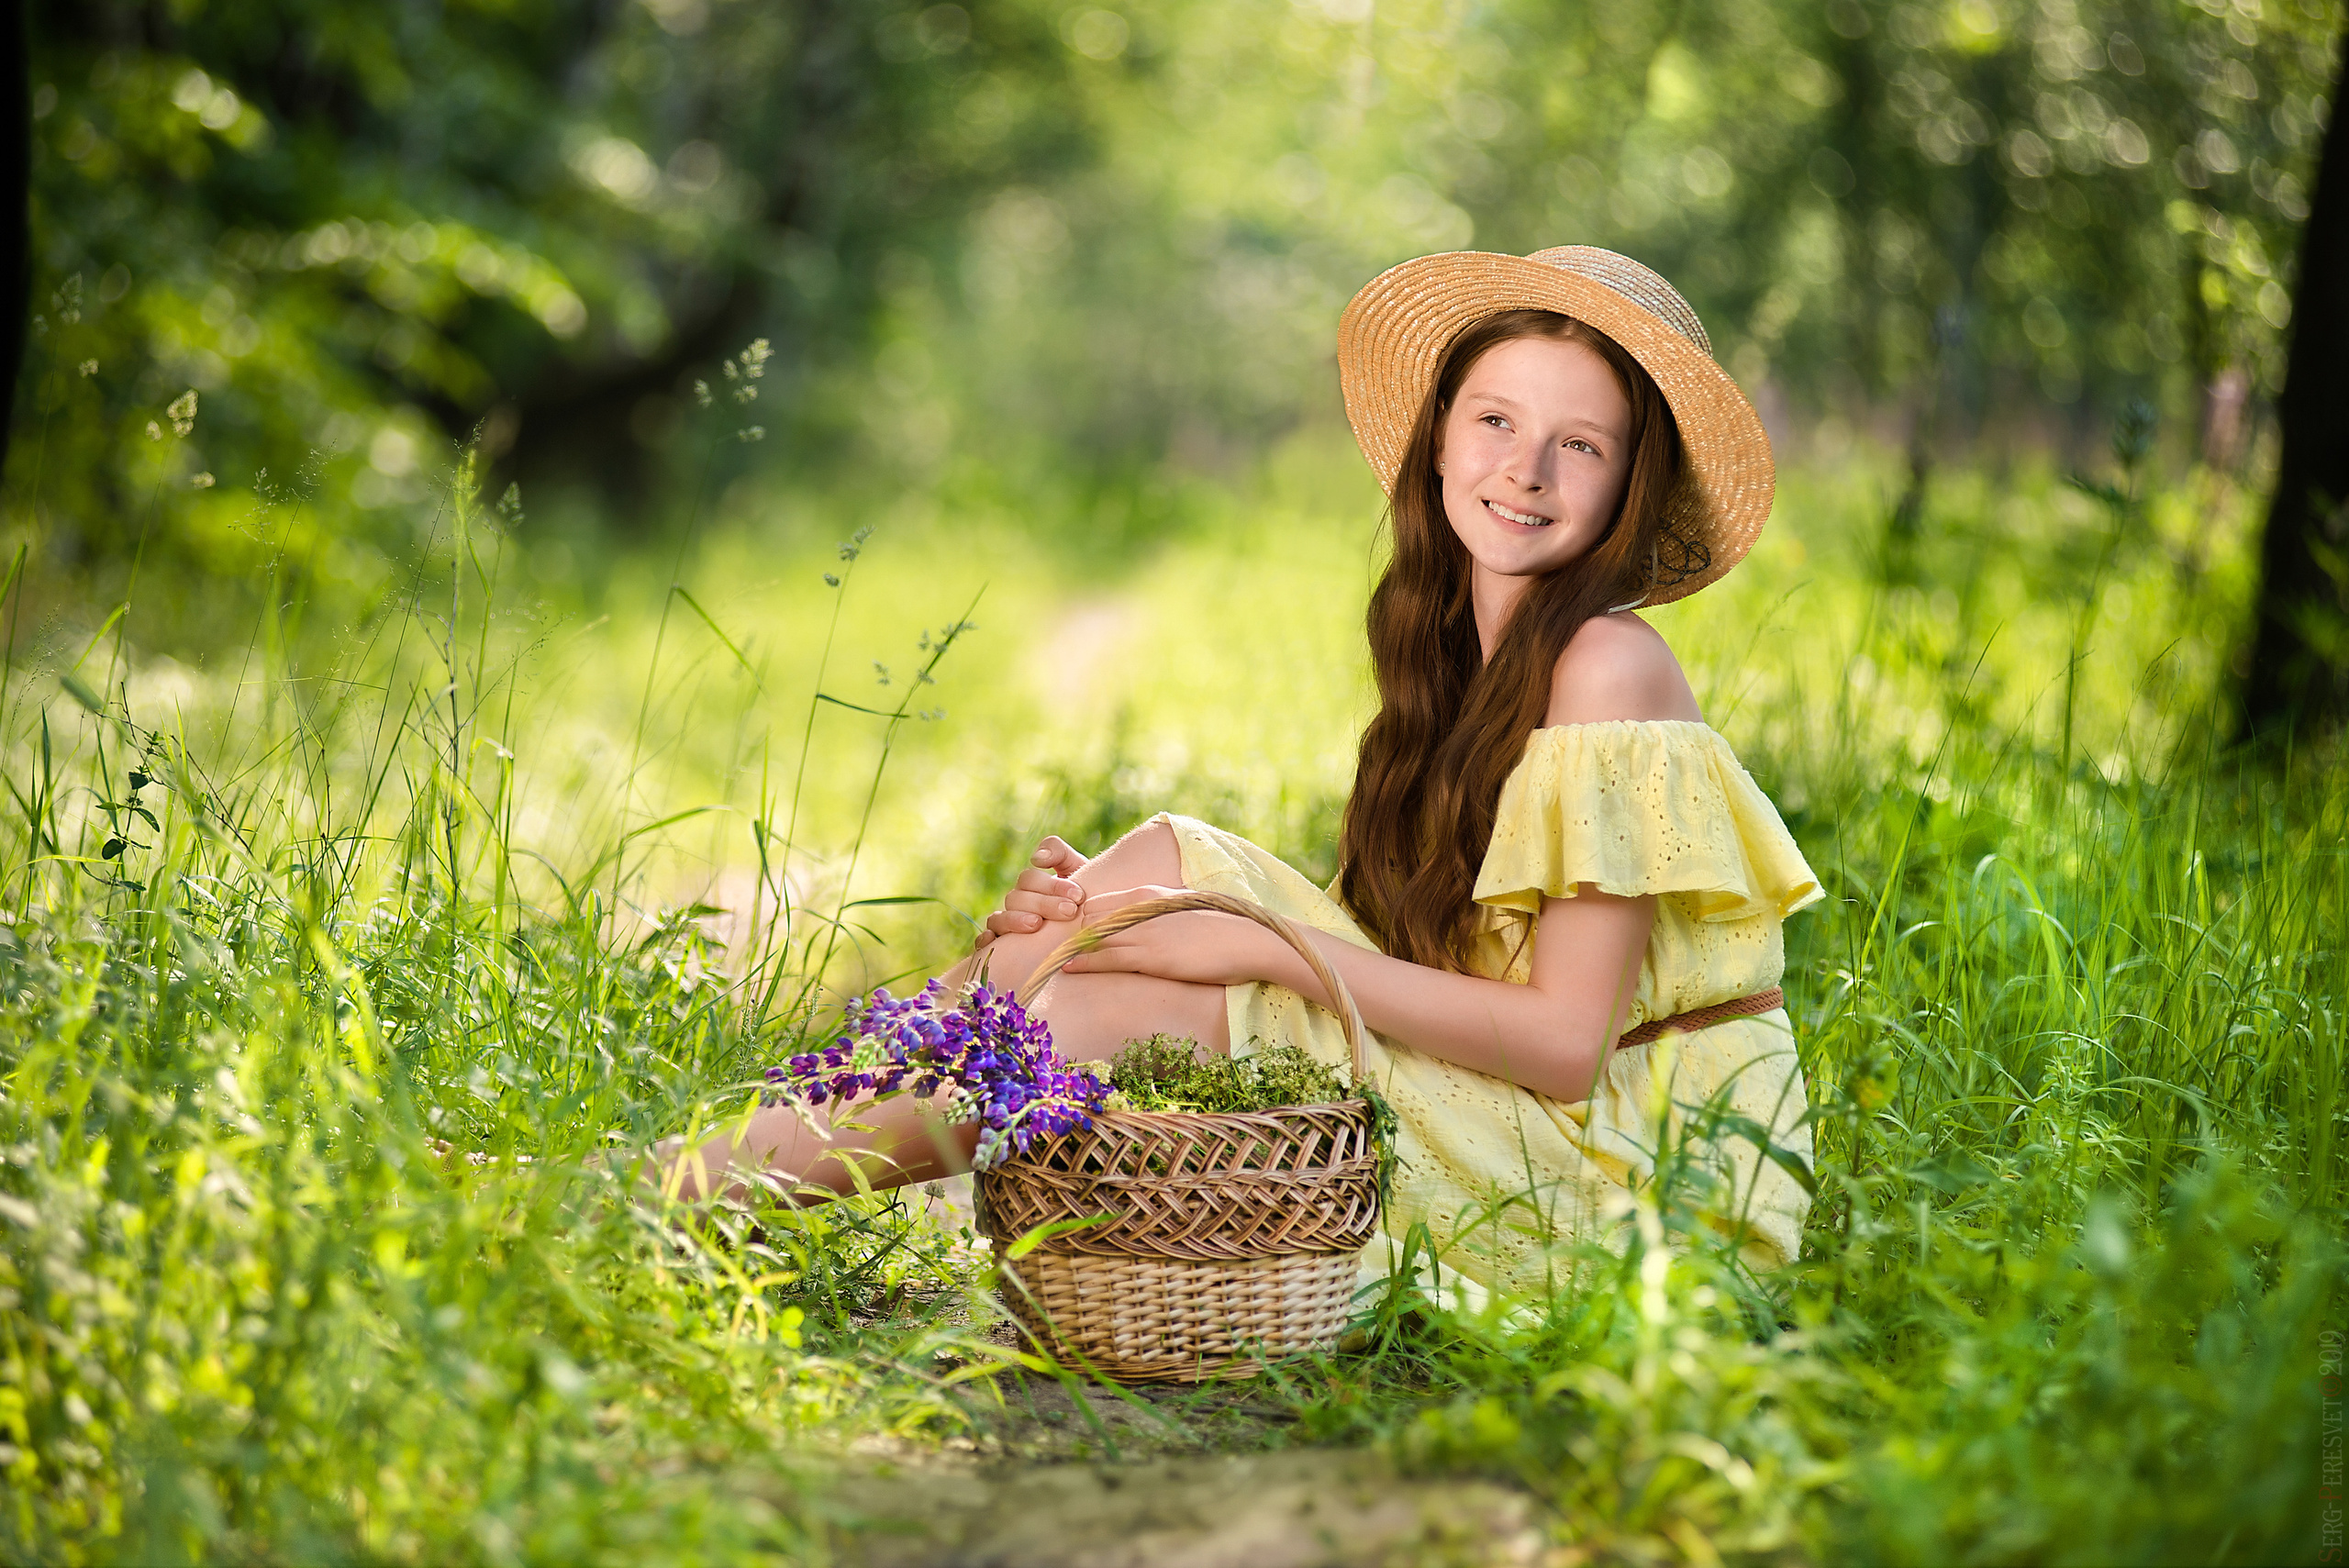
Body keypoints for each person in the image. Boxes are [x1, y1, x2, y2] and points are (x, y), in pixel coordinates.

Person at [657, 246, 1823, 1292]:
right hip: (1525, 1117)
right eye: (1495, 422)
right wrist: (1061, 934)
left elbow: (1569, 1047)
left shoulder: (1610, 665)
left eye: (1580, 444)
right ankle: (728, 1164)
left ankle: (671, 1194)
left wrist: (1268, 948)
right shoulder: (1458, 650)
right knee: (1142, 874)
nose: (1525, 470)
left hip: (1634, 1179)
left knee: (1091, 1003)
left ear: (1628, 484)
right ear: (1438, 438)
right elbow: (1417, 959)